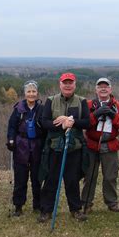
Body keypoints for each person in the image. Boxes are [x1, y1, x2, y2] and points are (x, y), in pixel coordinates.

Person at [38, 72, 90, 222]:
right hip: (55, 148)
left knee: (72, 180)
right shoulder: (50, 100)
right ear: (60, 84)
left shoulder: (81, 101)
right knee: (51, 180)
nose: (68, 85)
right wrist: (61, 125)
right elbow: (45, 122)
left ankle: (76, 209)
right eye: (65, 82)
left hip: (74, 148)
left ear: (75, 85)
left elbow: (87, 122)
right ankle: (46, 210)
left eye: (70, 82)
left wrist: (71, 122)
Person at [81, 77, 119, 214]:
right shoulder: (89, 104)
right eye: (100, 86)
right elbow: (84, 123)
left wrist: (113, 115)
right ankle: (86, 203)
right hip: (92, 145)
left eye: (106, 86)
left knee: (110, 176)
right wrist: (95, 114)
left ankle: (112, 202)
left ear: (110, 89)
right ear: (96, 89)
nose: (103, 88)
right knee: (90, 176)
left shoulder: (118, 106)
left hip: (110, 145)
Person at [6, 80, 45, 216]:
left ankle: (38, 205)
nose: (31, 94)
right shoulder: (18, 109)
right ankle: (18, 206)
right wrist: (11, 140)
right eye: (29, 91)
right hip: (21, 146)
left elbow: (45, 127)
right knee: (20, 178)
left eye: (34, 91)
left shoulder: (42, 109)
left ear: (37, 93)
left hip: (37, 146)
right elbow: (11, 127)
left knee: (37, 178)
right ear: (25, 93)